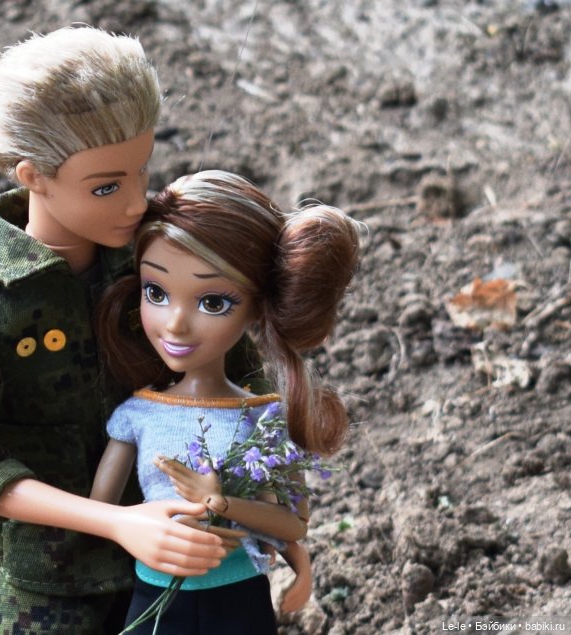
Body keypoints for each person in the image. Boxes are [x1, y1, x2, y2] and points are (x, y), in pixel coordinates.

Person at [0, 28, 241, 635]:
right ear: (33, 175)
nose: (135, 203)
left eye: (142, 172)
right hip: (55, 579)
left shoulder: (156, 260)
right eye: (106, 187)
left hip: (181, 549)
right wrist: (115, 522)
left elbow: (233, 369)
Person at [90, 170, 361, 633]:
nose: (175, 324)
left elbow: (293, 523)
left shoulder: (263, 417)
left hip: (237, 595)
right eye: (156, 293)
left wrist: (223, 503)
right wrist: (135, 528)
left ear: (256, 306)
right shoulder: (136, 415)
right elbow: (101, 511)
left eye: (213, 302)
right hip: (156, 593)